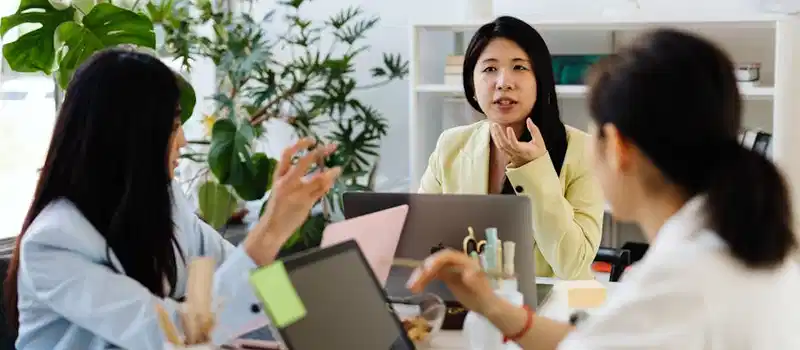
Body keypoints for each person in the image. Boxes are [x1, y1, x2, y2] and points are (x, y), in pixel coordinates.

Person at [407, 28, 800, 349]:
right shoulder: (742, 246)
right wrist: (494, 307)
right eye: (488, 69)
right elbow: (594, 340)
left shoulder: (674, 286)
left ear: (616, 147)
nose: (502, 82)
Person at [4, 48, 341, 349]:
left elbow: (233, 271)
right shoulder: (54, 242)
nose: (182, 141)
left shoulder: (167, 204)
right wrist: (270, 232)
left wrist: (304, 325)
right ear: (131, 139)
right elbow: (172, 334)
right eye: (173, 125)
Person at [418, 16, 605, 280]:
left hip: (552, 310)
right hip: (470, 303)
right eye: (489, 69)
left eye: (519, 67)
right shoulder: (451, 145)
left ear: (540, 80)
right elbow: (420, 236)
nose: (503, 82)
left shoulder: (583, 150)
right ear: (472, 84)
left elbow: (572, 264)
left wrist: (535, 169)